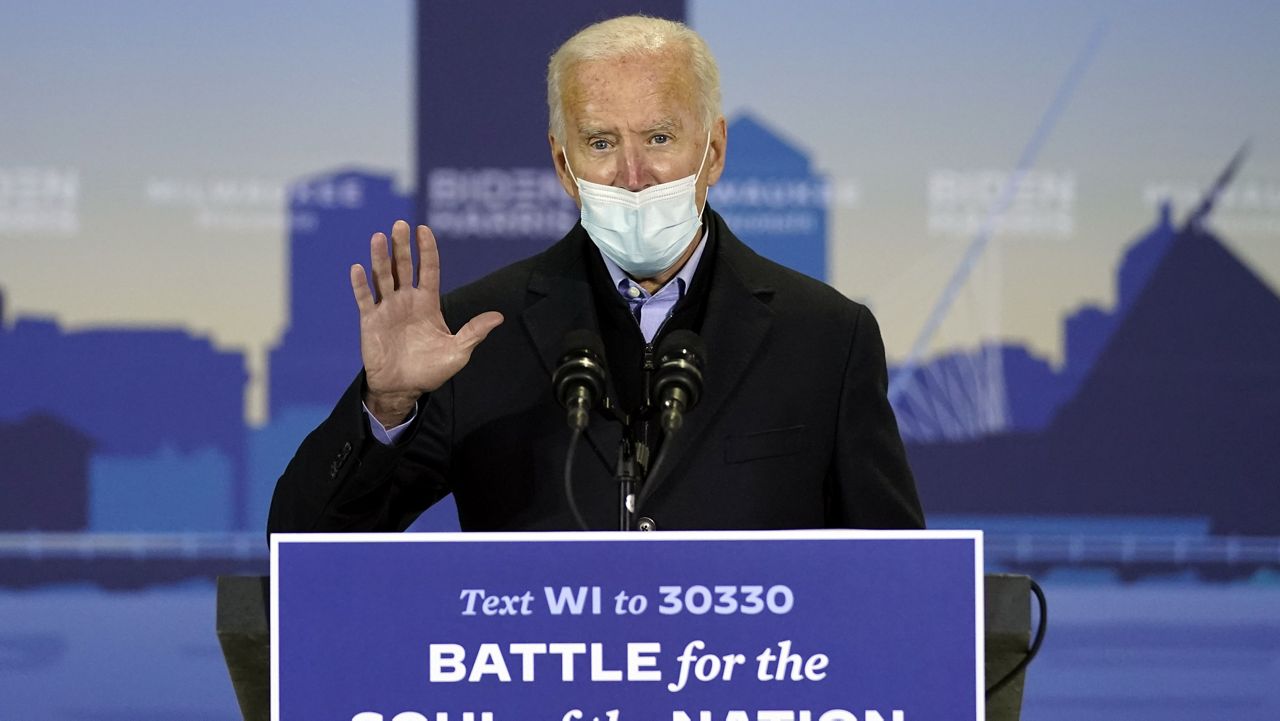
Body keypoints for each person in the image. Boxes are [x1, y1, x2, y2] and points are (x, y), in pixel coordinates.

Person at [268, 15, 923, 534]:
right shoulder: (474, 339)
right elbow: (305, 551)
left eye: (660, 138)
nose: (633, 175)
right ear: (562, 162)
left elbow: (897, 581)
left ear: (714, 150)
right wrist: (387, 406)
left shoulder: (826, 338)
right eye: (602, 143)